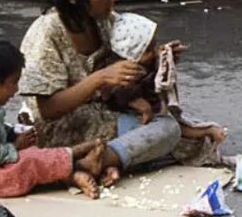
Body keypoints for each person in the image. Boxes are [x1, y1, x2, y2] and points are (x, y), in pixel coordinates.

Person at [19, 0, 203, 187]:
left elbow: (129, 68)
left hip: (101, 115)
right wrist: (99, 79)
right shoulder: (46, 33)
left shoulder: (104, 21)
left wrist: (159, 60)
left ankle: (100, 160)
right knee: (170, 136)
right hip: (56, 129)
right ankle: (100, 160)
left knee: (174, 132)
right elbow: (48, 110)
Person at [0, 41, 105, 199]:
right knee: (29, 162)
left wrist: (13, 133)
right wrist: (16, 145)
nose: (16, 90)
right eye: (13, 83)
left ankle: (71, 162)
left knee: (31, 153)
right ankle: (78, 165)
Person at [95, 11, 228, 146]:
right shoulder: (119, 74)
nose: (154, 53)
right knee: (167, 130)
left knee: (176, 127)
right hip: (130, 119)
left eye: (154, 46)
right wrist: (134, 100)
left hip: (155, 112)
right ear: (129, 56)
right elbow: (113, 95)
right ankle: (206, 131)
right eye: (148, 51)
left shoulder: (145, 66)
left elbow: (156, 81)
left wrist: (166, 59)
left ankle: (206, 131)